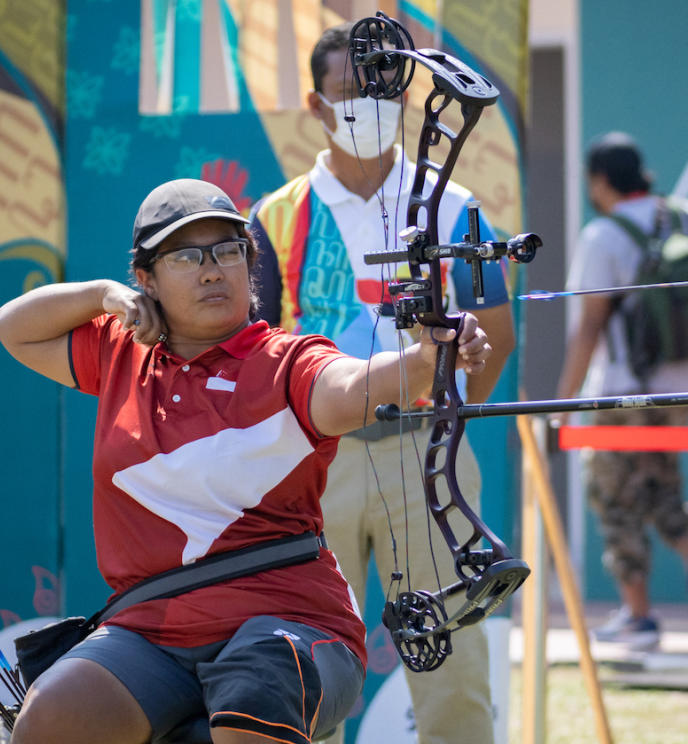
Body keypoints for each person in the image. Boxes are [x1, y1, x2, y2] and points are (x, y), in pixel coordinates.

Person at [0, 178, 492, 744]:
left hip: (290, 621)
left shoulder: (286, 359)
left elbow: (351, 385)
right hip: (149, 630)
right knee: (53, 715)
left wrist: (425, 359)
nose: (212, 270)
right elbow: (13, 327)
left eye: (228, 251)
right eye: (185, 256)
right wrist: (103, 296)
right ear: (146, 279)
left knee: (252, 695)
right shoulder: (117, 351)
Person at [248, 23, 516, 744]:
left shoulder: (457, 207)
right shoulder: (271, 219)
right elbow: (254, 351)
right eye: (347, 93)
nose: (367, 105)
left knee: (451, 661)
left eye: (380, 90)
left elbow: (497, 330)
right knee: (307, 663)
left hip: (426, 457)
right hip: (312, 463)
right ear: (314, 103)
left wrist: (442, 424)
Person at [553, 132, 688, 649]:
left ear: (600, 180)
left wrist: (564, 403)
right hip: (683, 388)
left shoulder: (603, 235)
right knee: (663, 486)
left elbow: (589, 327)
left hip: (623, 396)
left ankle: (638, 617)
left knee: (616, 500)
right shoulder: (686, 216)